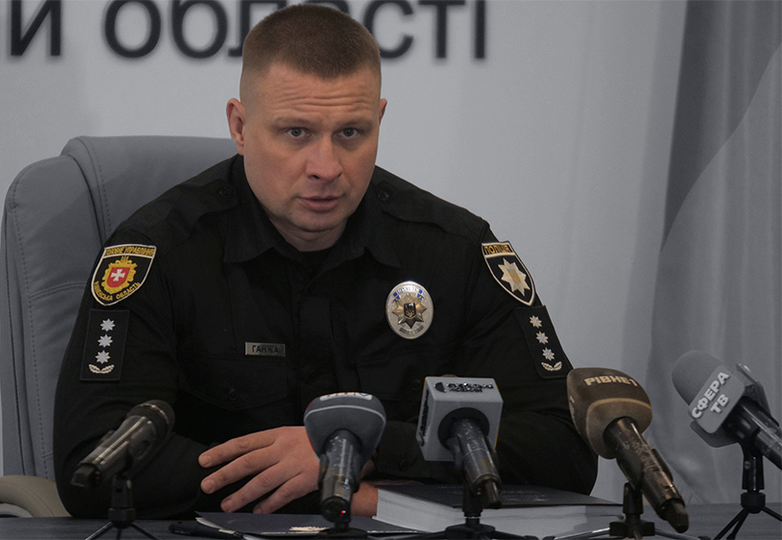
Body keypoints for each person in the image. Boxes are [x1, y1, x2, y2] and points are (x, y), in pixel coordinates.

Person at [54, 4, 597, 519]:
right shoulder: (160, 252)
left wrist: (369, 449)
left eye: (350, 133)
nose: (326, 167)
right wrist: (331, 493)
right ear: (240, 127)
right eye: (297, 133)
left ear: (379, 120)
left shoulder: (454, 250)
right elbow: (93, 465)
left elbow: (565, 449)